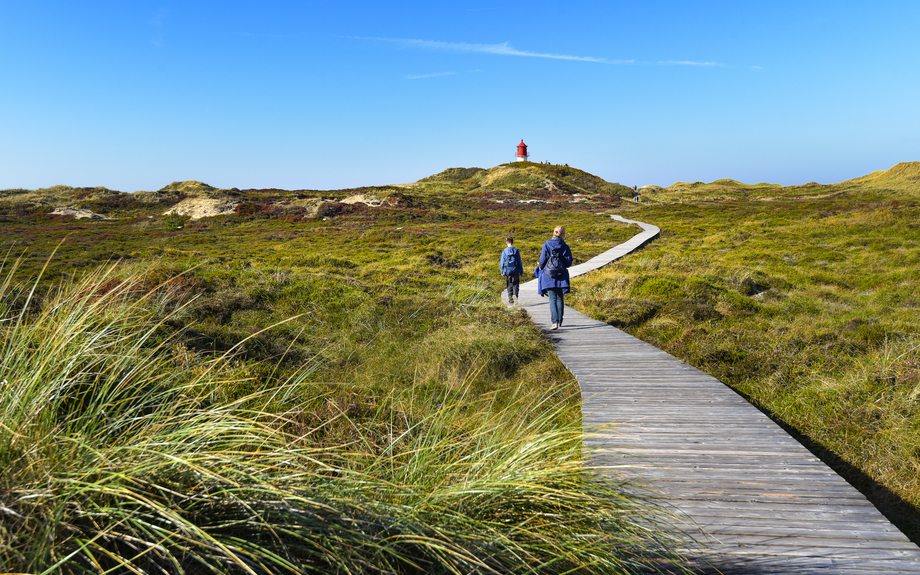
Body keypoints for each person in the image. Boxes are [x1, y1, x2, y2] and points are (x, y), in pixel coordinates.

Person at [537, 225, 573, 330]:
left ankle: (554, 322)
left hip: (549, 275)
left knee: (552, 298)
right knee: (560, 298)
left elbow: (542, 260)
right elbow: (568, 263)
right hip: (561, 275)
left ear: (554, 233)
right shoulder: (565, 246)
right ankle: (560, 320)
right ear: (563, 235)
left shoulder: (546, 244)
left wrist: (540, 267)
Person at [499, 236, 523, 305]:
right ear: (512, 242)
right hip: (515, 270)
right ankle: (515, 296)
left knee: (509, 285)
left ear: (506, 242)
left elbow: (502, 262)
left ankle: (510, 302)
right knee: (516, 285)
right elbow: (519, 262)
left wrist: (502, 271)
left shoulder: (504, 251)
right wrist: (521, 272)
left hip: (507, 270)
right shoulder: (516, 251)